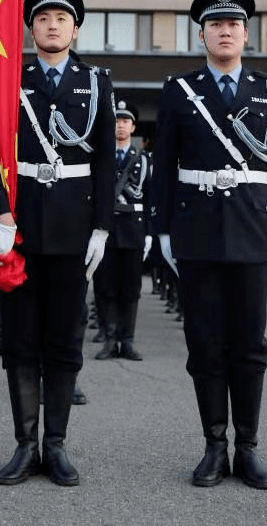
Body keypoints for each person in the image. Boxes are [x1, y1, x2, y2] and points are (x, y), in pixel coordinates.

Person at [153, 0, 267, 490]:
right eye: (216, 24)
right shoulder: (178, 89)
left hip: (254, 229)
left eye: (233, 23)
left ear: (245, 33)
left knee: (250, 344)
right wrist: (162, 230)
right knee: (205, 343)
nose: (225, 31)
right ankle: (214, 445)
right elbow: (163, 166)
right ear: (202, 34)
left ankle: (248, 448)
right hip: (196, 231)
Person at [0, 0, 115, 487]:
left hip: (73, 230)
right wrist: (0, 214)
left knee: (64, 341)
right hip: (21, 228)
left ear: (75, 28)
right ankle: (22, 445)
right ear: (29, 27)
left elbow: (103, 159)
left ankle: (55, 446)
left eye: (61, 18)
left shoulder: (97, 82)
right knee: (20, 341)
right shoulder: (9, 77)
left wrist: (102, 225)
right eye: (42, 18)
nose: (52, 25)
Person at [94, 100, 154, 361]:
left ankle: (127, 340)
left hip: (133, 228)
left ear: (133, 127)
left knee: (130, 288)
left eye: (125, 121)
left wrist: (151, 232)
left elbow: (152, 197)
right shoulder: (99, 156)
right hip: (105, 229)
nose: (120, 125)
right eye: (117, 121)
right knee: (105, 286)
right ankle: (109, 339)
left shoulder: (145, 159)